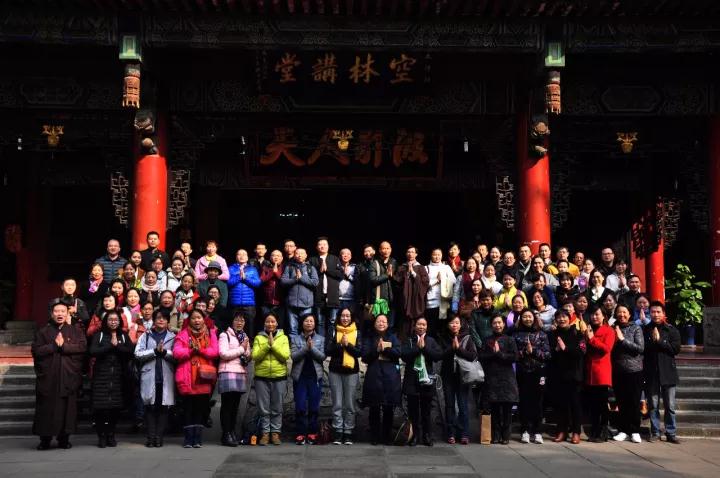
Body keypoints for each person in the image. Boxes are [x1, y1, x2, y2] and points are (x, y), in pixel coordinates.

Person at [32, 300, 87, 450]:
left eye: (63, 311)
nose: (60, 314)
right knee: (46, 409)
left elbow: (82, 347)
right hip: (49, 378)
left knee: (67, 409)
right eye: (56, 311)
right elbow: (36, 350)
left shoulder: (75, 331)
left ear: (68, 313)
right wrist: (53, 346)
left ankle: (64, 439)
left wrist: (64, 346)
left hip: (68, 376)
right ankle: (45, 440)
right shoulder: (43, 332)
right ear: (51, 314)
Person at [174, 308, 219, 448]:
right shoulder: (182, 334)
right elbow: (176, 352)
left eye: (199, 317)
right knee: (188, 409)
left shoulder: (210, 333)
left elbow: (215, 351)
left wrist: (201, 350)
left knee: (200, 409)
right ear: (190, 320)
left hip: (203, 377)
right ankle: (188, 439)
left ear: (204, 319)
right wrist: (190, 351)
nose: (196, 320)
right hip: (187, 376)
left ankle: (197, 439)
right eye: (193, 318)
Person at [88, 310, 133, 448]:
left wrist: (117, 345)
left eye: (116, 320)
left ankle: (111, 434)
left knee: (115, 409)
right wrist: (109, 346)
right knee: (100, 409)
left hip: (119, 378)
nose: (113, 322)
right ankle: (101, 436)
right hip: (101, 377)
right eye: (110, 319)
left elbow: (130, 352)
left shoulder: (123, 335)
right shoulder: (99, 335)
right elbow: (92, 351)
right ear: (105, 321)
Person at [135, 308, 176, 447]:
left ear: (168, 321)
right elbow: (137, 354)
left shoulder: (173, 337)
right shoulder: (146, 336)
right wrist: (154, 351)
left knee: (164, 408)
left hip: (166, 377)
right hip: (149, 376)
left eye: (164, 318)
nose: (161, 320)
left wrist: (164, 352)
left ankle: (159, 438)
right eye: (158, 317)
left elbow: (177, 356)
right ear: (153, 320)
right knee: (150, 408)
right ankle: (150, 438)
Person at [401, 317, 443, 446]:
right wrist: (417, 349)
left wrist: (424, 348)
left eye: (424, 324)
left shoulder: (431, 341)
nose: (421, 327)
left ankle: (427, 436)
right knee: (413, 410)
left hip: (427, 379)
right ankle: (414, 436)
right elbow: (404, 356)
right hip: (412, 379)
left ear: (427, 327)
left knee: (426, 410)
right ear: (415, 326)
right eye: (419, 324)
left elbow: (437, 356)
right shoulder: (409, 340)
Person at [643, 301, 681, 443]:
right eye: (653, 312)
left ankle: (671, 432)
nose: (656, 314)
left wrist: (660, 341)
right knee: (653, 405)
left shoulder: (671, 330)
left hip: (668, 372)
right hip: (651, 372)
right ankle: (655, 432)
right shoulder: (645, 330)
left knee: (669, 406)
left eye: (658, 312)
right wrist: (653, 341)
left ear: (663, 313)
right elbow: (643, 348)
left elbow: (675, 349)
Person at [362, 314, 401, 445]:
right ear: (375, 324)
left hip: (390, 377)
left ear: (388, 324)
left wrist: (386, 349)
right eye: (379, 321)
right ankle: (374, 436)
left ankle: (386, 436)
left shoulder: (393, 337)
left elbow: (398, 353)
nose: (381, 323)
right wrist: (376, 350)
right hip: (374, 376)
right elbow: (364, 356)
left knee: (388, 408)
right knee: (374, 407)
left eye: (384, 321)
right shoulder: (369, 337)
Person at [252, 314, 291, 446]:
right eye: (267, 321)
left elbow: (285, 356)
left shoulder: (284, 338)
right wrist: (267, 346)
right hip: (261, 377)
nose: (270, 324)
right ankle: (265, 433)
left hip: (279, 377)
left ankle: (275, 433)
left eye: (273, 321)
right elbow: (255, 356)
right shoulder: (258, 337)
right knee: (263, 408)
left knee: (277, 407)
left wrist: (273, 345)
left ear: (277, 324)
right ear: (264, 323)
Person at [480, 315, 519, 445]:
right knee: (494, 408)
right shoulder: (487, 340)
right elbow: (481, 356)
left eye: (500, 323)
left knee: (507, 410)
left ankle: (505, 435)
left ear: (504, 324)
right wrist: (493, 354)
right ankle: (495, 435)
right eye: (495, 323)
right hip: (492, 377)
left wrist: (500, 354)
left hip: (507, 378)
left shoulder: (510, 339)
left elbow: (515, 357)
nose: (497, 325)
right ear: (491, 325)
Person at [548, 309, 586, 444]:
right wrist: (556, 350)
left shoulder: (577, 333)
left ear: (569, 318)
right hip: (558, 375)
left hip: (574, 374)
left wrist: (566, 349)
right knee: (560, 405)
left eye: (564, 317)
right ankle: (561, 431)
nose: (561, 319)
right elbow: (548, 354)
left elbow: (582, 351)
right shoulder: (552, 334)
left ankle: (576, 432)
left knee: (575, 404)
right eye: (559, 317)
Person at [514, 309, 551, 444]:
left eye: (530, 316)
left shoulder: (542, 334)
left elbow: (547, 355)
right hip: (523, 372)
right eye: (524, 317)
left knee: (538, 402)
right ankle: (525, 430)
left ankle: (537, 431)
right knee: (524, 402)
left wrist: (533, 351)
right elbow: (514, 355)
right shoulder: (517, 335)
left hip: (539, 372)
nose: (527, 319)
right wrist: (525, 352)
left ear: (534, 318)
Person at [326, 308, 361, 445]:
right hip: (335, 371)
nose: (345, 318)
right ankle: (338, 430)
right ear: (339, 317)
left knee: (350, 404)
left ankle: (348, 431)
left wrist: (348, 345)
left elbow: (359, 352)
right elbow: (328, 350)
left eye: (348, 316)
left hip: (351, 372)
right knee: (337, 404)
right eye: (343, 316)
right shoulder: (333, 330)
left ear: (351, 317)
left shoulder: (357, 331)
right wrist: (340, 345)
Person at [439, 315, 477, 445]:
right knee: (449, 405)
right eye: (452, 323)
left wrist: (459, 349)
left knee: (463, 405)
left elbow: (473, 356)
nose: (454, 325)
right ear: (448, 325)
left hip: (463, 377)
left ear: (461, 325)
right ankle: (450, 433)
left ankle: (464, 433)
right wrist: (452, 348)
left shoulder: (467, 338)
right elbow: (440, 354)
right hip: (448, 376)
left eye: (457, 322)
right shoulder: (443, 338)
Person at [611, 304, 645, 443]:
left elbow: (640, 348)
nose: (622, 315)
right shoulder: (612, 328)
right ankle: (623, 430)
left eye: (624, 312)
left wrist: (622, 340)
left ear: (629, 314)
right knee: (621, 401)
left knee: (634, 402)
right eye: (619, 312)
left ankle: (635, 430)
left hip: (634, 371)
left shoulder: (636, 328)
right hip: (618, 370)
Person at [291, 315, 326, 445]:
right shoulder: (295, 339)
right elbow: (294, 356)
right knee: (300, 406)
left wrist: (312, 348)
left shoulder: (321, 339)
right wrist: (306, 348)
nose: (309, 323)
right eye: (306, 321)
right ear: (302, 323)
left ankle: (312, 432)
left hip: (315, 377)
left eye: (311, 321)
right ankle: (300, 433)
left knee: (314, 407)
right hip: (300, 377)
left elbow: (322, 357)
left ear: (315, 323)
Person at [218, 312, 252, 447]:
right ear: (231, 321)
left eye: (242, 320)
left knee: (235, 406)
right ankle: (225, 434)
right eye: (237, 320)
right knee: (227, 405)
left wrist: (247, 353)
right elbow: (223, 354)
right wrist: (241, 349)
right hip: (227, 371)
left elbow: (247, 353)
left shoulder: (245, 336)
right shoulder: (224, 335)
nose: (239, 323)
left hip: (240, 372)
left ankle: (232, 432)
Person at [584, 307, 616, 442]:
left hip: (601, 372)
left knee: (602, 404)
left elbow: (606, 349)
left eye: (597, 314)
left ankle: (603, 432)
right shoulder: (588, 329)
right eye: (592, 314)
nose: (594, 317)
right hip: (589, 371)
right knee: (593, 404)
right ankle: (594, 431)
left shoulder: (609, 331)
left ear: (604, 316)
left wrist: (592, 339)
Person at [309, 237, 343, 338]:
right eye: (320, 244)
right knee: (320, 322)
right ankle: (321, 344)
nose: (322, 246)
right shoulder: (312, 259)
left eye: (324, 244)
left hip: (332, 296)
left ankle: (330, 344)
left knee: (332, 321)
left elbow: (340, 275)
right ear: (316, 247)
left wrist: (327, 270)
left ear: (328, 246)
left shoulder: (335, 259)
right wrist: (319, 271)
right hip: (318, 295)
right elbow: (309, 276)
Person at [281, 248, 319, 336]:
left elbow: (315, 282)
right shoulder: (289, 267)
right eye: (297, 253)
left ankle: (307, 344)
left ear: (306, 256)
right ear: (294, 255)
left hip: (306, 305)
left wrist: (302, 278)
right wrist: (295, 279)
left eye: (302, 253)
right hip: (291, 304)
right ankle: (294, 345)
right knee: (292, 329)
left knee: (307, 329)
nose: (299, 255)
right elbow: (283, 281)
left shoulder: (310, 268)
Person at [394, 245, 430, 337]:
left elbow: (425, 282)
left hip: (416, 300)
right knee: (403, 323)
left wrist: (413, 273)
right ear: (406, 254)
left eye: (412, 252)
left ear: (416, 254)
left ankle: (417, 340)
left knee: (417, 321)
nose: (410, 254)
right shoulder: (402, 267)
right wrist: (395, 276)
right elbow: (397, 282)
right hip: (404, 300)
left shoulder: (421, 268)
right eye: (408, 252)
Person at [226, 251, 261, 333]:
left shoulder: (252, 269)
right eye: (239, 254)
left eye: (244, 254)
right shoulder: (231, 268)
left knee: (250, 327)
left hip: (249, 304)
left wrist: (246, 278)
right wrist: (239, 277)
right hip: (234, 303)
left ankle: (250, 341)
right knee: (234, 328)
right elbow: (228, 283)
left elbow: (258, 283)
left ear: (247, 257)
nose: (241, 256)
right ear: (236, 257)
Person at [425, 248, 456, 337]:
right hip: (431, 302)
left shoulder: (446, 267)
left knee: (443, 327)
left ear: (442, 256)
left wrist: (444, 279)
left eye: (439, 255)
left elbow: (454, 281)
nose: (437, 256)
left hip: (444, 301)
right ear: (431, 255)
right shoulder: (426, 268)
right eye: (435, 254)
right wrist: (436, 280)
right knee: (431, 326)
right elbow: (424, 285)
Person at [367, 241, 399, 329]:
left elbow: (397, 279)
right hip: (379, 301)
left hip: (391, 301)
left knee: (390, 326)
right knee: (378, 325)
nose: (386, 250)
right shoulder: (374, 263)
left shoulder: (394, 262)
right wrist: (386, 275)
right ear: (380, 250)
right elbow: (372, 280)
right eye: (383, 248)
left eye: (388, 248)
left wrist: (392, 276)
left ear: (391, 250)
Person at [259, 249, 285, 328]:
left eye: (278, 256)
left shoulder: (285, 268)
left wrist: (276, 273)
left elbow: (284, 281)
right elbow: (262, 280)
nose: (276, 257)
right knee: (265, 325)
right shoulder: (265, 267)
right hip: (266, 302)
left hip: (280, 303)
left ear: (282, 258)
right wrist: (272, 272)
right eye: (273, 255)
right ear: (270, 258)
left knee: (279, 326)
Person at [337, 248, 358, 315]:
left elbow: (357, 282)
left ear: (351, 256)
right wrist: (341, 274)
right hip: (338, 299)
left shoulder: (355, 267)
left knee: (351, 318)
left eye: (348, 254)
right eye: (343, 254)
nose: (346, 255)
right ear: (340, 256)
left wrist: (348, 275)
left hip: (351, 299)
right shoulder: (336, 267)